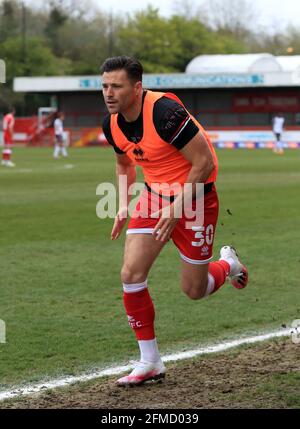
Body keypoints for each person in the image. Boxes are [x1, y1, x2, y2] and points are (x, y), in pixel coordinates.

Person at [101, 56, 249, 387]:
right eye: (105, 86)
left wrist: (177, 206)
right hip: (154, 198)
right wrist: (124, 205)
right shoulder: (111, 123)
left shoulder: (166, 114)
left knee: (195, 290)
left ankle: (228, 264)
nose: (108, 93)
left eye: (117, 86)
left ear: (137, 88)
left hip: (197, 199)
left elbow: (204, 163)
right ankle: (150, 361)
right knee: (130, 273)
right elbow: (124, 165)